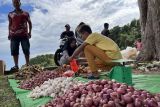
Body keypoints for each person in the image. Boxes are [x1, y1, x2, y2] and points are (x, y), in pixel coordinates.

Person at [8, 0, 32, 71]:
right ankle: (16, 66)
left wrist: (30, 32)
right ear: (13, 4)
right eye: (14, 3)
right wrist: (9, 33)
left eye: (17, 2)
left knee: (26, 49)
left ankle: (27, 64)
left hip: (24, 35)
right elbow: (10, 24)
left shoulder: (25, 13)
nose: (16, 4)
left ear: (20, 3)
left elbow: (30, 23)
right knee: (14, 50)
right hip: (13, 35)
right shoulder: (10, 14)